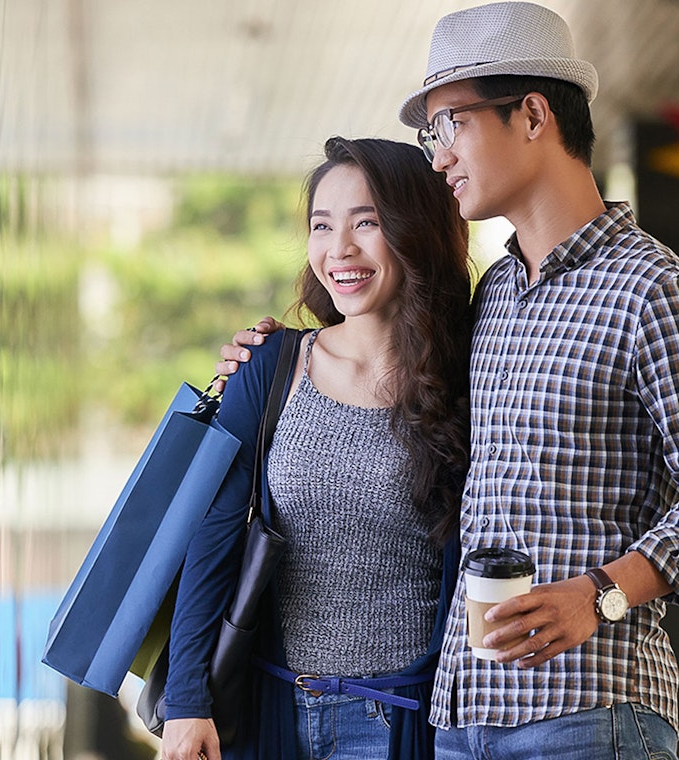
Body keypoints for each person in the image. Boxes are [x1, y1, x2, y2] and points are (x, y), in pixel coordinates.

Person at [218, 3, 679, 758]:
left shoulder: (654, 292)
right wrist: (278, 355)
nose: (439, 156)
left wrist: (600, 595)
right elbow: (386, 355)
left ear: (533, 115)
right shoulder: (495, 295)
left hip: (588, 712)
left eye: (452, 124)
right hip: (464, 717)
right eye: (431, 135)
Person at [161, 136, 473, 760]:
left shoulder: (468, 376)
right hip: (273, 712)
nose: (340, 249)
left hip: (404, 722)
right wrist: (186, 700)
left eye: (367, 223)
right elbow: (213, 538)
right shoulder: (271, 365)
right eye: (322, 225)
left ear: (417, 230)